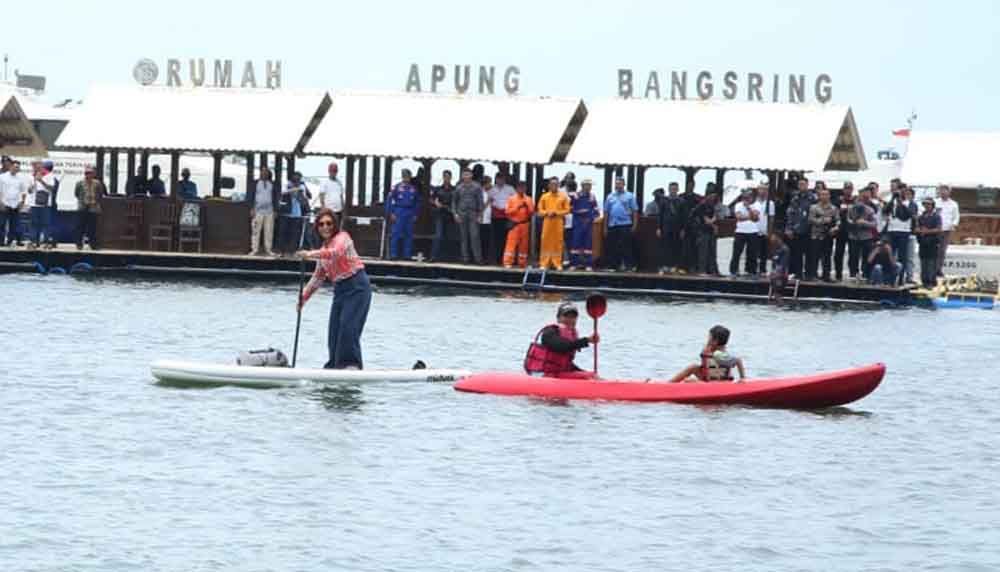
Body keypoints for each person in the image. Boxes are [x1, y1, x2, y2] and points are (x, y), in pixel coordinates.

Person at [298, 208, 372, 370]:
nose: (325, 227)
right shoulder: (323, 249)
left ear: (335, 225)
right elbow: (318, 277)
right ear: (317, 227)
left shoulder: (343, 238)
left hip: (357, 287)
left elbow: (336, 253)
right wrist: (302, 299)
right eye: (321, 224)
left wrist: (310, 254)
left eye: (329, 223)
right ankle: (334, 366)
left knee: (348, 328)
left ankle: (351, 365)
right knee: (334, 333)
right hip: (340, 290)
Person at [523, 302, 598, 379]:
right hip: (542, 373)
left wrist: (584, 372)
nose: (570, 320)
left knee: (591, 375)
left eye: (573, 317)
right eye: (566, 316)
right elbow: (561, 346)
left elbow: (565, 363)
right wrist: (587, 340)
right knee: (588, 376)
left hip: (558, 373)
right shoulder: (549, 332)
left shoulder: (572, 335)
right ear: (558, 318)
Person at [668, 325, 746, 383]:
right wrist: (709, 346)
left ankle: (667, 386)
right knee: (693, 367)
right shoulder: (711, 350)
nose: (707, 339)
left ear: (715, 341)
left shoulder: (719, 354)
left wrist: (742, 378)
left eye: (709, 337)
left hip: (718, 384)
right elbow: (704, 353)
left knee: (690, 381)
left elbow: (738, 360)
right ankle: (668, 384)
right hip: (708, 380)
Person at [883, 183, 917, 283]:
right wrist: (892, 199)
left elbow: (906, 215)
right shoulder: (893, 201)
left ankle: (901, 277)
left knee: (902, 256)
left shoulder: (910, 203)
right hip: (892, 231)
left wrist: (900, 203)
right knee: (890, 254)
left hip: (903, 232)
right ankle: (890, 277)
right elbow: (885, 211)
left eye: (903, 190)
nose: (900, 192)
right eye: (899, 190)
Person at [603, 177, 639, 271]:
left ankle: (629, 266)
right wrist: (605, 227)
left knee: (626, 246)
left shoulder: (630, 196)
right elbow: (606, 212)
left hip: (625, 224)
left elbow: (635, 211)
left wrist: (634, 225)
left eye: (620, 183)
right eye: (616, 183)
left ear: (624, 184)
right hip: (612, 224)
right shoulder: (610, 196)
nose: (618, 185)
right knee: (613, 246)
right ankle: (613, 266)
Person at [385, 169, 421, 260]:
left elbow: (417, 202)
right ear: (402, 177)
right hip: (399, 211)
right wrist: (391, 212)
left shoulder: (413, 189)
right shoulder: (396, 187)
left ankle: (407, 255)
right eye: (404, 176)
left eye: (408, 176)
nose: (406, 178)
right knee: (396, 233)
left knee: (409, 234)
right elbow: (389, 200)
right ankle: (393, 254)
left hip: (410, 212)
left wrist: (416, 214)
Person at [536, 177, 570, 270]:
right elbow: (540, 209)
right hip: (547, 221)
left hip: (558, 221)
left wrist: (557, 213)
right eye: (552, 184)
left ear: (558, 185)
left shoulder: (563, 196)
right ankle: (544, 263)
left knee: (558, 242)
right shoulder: (544, 196)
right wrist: (547, 213)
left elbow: (567, 210)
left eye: (556, 184)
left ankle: (557, 263)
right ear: (549, 186)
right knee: (545, 241)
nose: (554, 186)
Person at [783, 177, 815, 277]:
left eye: (803, 184)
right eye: (800, 184)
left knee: (810, 254)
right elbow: (790, 213)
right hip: (796, 230)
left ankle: (810, 274)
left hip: (809, 229)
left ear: (807, 185)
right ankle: (798, 273)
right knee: (797, 254)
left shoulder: (812, 198)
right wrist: (789, 228)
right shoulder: (794, 197)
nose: (802, 186)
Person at [451, 168, 485, 264]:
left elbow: (480, 202)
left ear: (471, 175)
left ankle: (478, 259)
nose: (466, 176)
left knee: (475, 236)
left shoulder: (477, 187)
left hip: (473, 214)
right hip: (461, 213)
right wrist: (455, 214)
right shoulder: (458, 187)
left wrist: (480, 215)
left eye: (468, 174)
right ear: (462, 176)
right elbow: (454, 202)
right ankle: (465, 258)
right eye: (464, 174)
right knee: (463, 237)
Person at [807, 186, 839, 282]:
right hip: (816, 235)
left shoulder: (833, 208)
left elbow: (838, 220)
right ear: (819, 196)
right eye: (822, 194)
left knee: (827, 257)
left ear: (829, 196)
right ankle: (813, 275)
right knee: (815, 256)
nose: (824, 196)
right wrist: (824, 220)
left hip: (828, 235)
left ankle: (826, 275)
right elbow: (811, 220)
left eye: (826, 194)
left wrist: (835, 227)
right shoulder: (813, 207)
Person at [567, 178, 599, 270]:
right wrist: (579, 212)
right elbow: (569, 208)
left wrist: (591, 217)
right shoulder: (575, 196)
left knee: (588, 244)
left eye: (590, 185)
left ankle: (588, 264)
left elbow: (596, 210)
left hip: (588, 223)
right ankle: (574, 264)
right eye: (588, 185)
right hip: (578, 223)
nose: (589, 187)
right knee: (576, 243)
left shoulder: (592, 196)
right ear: (582, 186)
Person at [849, 186, 879, 280]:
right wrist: (853, 223)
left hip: (866, 236)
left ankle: (865, 274)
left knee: (866, 256)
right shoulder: (851, 208)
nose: (861, 199)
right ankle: (853, 274)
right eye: (860, 197)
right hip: (854, 236)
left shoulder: (870, 209)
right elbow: (847, 220)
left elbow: (874, 224)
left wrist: (865, 223)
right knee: (853, 256)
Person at [502, 181, 534, 268]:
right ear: (516, 188)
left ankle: (522, 263)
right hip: (514, 224)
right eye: (520, 187)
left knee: (524, 245)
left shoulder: (529, 199)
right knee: (511, 244)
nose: (521, 189)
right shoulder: (511, 199)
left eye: (523, 187)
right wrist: (517, 207)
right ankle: (507, 262)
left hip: (525, 224)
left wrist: (527, 206)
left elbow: (531, 212)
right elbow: (507, 212)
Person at [278, 172, 311, 255]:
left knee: (295, 233)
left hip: (297, 213)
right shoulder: (287, 184)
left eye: (299, 179)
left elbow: (308, 197)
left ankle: (293, 250)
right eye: (296, 179)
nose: (297, 181)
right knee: (284, 232)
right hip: (286, 212)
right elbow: (282, 192)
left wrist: (303, 189)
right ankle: (282, 251)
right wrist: (294, 189)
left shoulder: (302, 186)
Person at [247, 166, 278, 255]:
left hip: (269, 211)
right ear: (260, 173)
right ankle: (254, 249)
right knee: (255, 230)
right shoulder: (255, 183)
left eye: (266, 172)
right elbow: (250, 196)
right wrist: (251, 208)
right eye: (263, 171)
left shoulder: (272, 184)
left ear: (268, 174)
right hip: (257, 211)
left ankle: (268, 250)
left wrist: (275, 210)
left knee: (269, 231)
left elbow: (276, 197)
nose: (264, 173)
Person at [730, 189, 760, 277]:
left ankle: (751, 271)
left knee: (752, 253)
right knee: (737, 252)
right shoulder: (738, 205)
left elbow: (755, 217)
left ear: (752, 197)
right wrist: (750, 217)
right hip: (740, 231)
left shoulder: (757, 205)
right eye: (745, 197)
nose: (747, 199)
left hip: (753, 231)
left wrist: (748, 208)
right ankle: (734, 270)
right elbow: (739, 217)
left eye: (749, 197)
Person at [0, 160, 30, 246]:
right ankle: (1, 242)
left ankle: (10, 241)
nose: (16, 169)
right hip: (4, 204)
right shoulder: (2, 177)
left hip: (16, 205)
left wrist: (22, 203)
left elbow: (24, 192)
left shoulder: (21, 179)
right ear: (10, 167)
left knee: (14, 225)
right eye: (15, 167)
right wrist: (0, 203)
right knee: (1, 224)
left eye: (18, 167)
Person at [656, 182, 683, 274]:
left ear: (678, 190)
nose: (673, 191)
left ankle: (674, 266)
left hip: (677, 228)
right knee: (665, 247)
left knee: (675, 247)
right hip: (665, 228)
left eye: (675, 189)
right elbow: (660, 215)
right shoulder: (664, 201)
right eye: (671, 189)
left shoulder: (681, 201)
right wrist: (659, 228)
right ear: (669, 189)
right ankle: (664, 266)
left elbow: (685, 217)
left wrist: (683, 229)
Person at [488, 172, 515, 264]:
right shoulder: (491, 189)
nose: (500, 181)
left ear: (504, 179)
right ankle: (498, 259)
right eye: (498, 179)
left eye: (502, 179)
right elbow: (488, 201)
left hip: (507, 216)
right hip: (496, 217)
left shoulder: (510, 189)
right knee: (496, 239)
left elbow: (515, 200)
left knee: (507, 238)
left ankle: (507, 259)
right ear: (496, 179)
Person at [74, 166, 104, 250]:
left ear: (93, 174)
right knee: (80, 226)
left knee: (92, 227)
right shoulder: (79, 183)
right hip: (82, 207)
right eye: (86, 173)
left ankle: (93, 244)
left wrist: (95, 202)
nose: (88, 175)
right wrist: (82, 201)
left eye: (90, 173)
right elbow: (76, 193)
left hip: (93, 208)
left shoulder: (97, 183)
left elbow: (100, 194)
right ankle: (79, 244)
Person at [29, 161, 58, 248]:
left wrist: (41, 181)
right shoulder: (32, 177)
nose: (38, 169)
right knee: (34, 224)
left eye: (40, 167)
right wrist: (32, 185)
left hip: (46, 205)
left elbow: (52, 188)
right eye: (36, 167)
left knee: (45, 224)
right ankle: (34, 241)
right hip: (34, 204)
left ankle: (46, 242)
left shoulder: (50, 176)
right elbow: (29, 191)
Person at [915, 198, 942, 288]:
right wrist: (919, 231)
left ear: (932, 206)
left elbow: (938, 229)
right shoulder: (921, 217)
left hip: (932, 242)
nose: (927, 206)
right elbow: (916, 228)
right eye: (925, 204)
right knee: (923, 263)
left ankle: (931, 282)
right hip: (922, 243)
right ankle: (924, 281)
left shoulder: (936, 216)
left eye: (929, 204)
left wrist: (927, 231)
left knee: (931, 263)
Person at [430, 170, 457, 262]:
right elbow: (432, 199)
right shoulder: (438, 189)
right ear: (443, 177)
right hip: (440, 215)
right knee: (438, 235)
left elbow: (457, 201)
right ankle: (434, 256)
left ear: (451, 178)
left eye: (448, 177)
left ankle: (448, 258)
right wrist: (435, 203)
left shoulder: (454, 189)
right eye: (445, 176)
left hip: (450, 215)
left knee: (450, 237)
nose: (446, 178)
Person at [691, 192, 720, 275]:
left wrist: (713, 223)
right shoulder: (702, 205)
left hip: (710, 231)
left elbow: (715, 216)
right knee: (703, 252)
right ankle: (701, 270)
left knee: (712, 252)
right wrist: (713, 225)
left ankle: (713, 270)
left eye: (714, 196)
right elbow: (706, 220)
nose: (713, 197)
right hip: (702, 231)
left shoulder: (712, 205)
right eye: (712, 196)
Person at [935, 184, 960, 277]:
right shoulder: (935, 202)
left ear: (949, 192)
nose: (943, 192)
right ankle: (933, 269)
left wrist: (954, 225)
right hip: (936, 229)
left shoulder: (954, 204)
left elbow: (956, 217)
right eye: (941, 190)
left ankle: (939, 269)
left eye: (945, 191)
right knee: (935, 250)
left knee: (942, 251)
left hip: (947, 230)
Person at [832, 182, 855, 281]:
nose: (848, 190)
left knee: (853, 253)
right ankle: (838, 274)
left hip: (852, 231)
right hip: (841, 231)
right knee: (838, 253)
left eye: (850, 188)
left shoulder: (855, 201)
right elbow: (834, 213)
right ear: (843, 189)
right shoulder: (838, 200)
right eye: (846, 188)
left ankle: (853, 274)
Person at [753, 180, 775, 275]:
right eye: (761, 189)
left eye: (765, 189)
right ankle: (752, 269)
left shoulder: (770, 203)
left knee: (764, 252)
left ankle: (763, 269)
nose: (763, 191)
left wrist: (769, 232)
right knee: (753, 251)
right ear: (758, 190)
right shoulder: (753, 202)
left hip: (764, 230)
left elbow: (771, 218)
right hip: (753, 230)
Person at [768, 234, 790, 303]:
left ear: (779, 238)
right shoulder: (775, 248)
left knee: (777, 291)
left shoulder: (784, 249)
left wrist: (776, 272)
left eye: (773, 238)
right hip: (776, 272)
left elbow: (783, 264)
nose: (771, 240)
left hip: (781, 274)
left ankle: (779, 298)